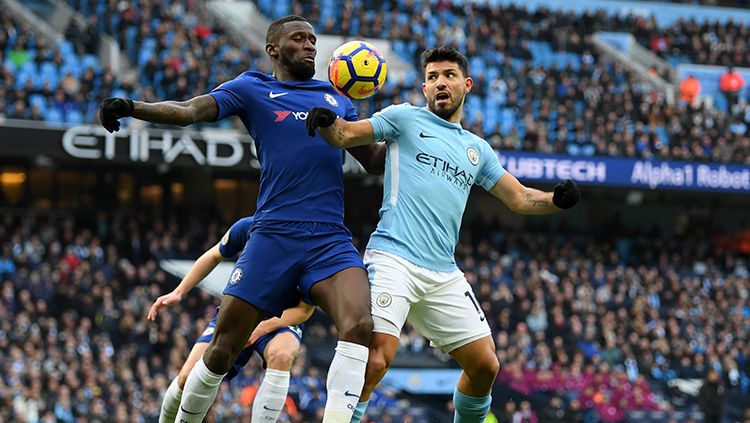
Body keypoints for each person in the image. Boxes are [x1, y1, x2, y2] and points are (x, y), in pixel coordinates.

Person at [100, 15, 385, 423]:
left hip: (329, 239)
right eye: (299, 38)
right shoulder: (252, 87)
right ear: (273, 49)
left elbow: (373, 162)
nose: (310, 46)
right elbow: (187, 112)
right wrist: (133, 107)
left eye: (313, 40)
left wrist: (399, 127)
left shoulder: (336, 98)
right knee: (221, 349)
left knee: (359, 325)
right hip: (272, 235)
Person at [306, 45, 580, 422]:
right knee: (378, 359)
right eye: (432, 77)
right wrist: (328, 121)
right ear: (424, 88)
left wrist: (555, 200)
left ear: (466, 84)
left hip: (443, 273)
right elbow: (345, 135)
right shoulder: (404, 118)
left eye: (448, 75)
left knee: (485, 365)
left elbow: (518, 197)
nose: (440, 83)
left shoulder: (477, 150)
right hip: (393, 259)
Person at [147, 215, 314, 423]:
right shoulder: (249, 226)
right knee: (187, 377)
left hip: (280, 318)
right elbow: (214, 255)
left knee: (282, 356)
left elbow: (305, 310)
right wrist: (179, 292)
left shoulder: (312, 240)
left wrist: (262, 328)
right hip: (238, 310)